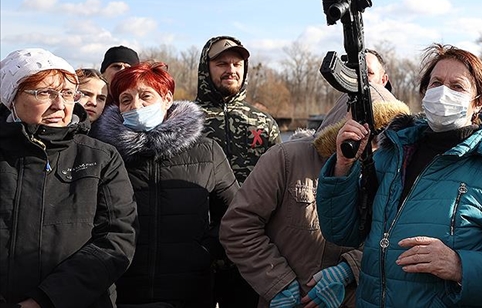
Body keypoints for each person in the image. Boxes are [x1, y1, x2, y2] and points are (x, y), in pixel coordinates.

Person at [317, 44, 482, 307]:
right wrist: (343, 165)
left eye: (457, 86)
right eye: (436, 83)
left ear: (478, 102)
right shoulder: (391, 155)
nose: (443, 92)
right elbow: (340, 232)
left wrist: (460, 266)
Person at [220, 83, 410, 308]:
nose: (374, 145)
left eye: (385, 137)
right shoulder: (286, 159)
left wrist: (350, 269)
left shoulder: (393, 174)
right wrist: (279, 283)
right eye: (369, 132)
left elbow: (393, 239)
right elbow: (238, 226)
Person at [91, 61, 239, 308]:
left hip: (190, 290)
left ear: (167, 98)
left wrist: (205, 251)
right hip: (120, 290)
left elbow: (235, 212)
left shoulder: (206, 151)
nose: (135, 106)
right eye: (125, 100)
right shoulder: (106, 154)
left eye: (145, 96)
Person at [0, 48, 137, 308]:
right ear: (12, 97)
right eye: (45, 93)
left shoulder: (101, 158)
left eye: (66, 93)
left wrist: (45, 300)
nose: (60, 104)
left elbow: (117, 238)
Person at [195, 36, 280, 308]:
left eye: (237, 63)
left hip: (252, 250)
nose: (231, 69)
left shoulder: (263, 123)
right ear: (205, 68)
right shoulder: (185, 119)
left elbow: (282, 183)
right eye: (221, 63)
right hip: (197, 247)